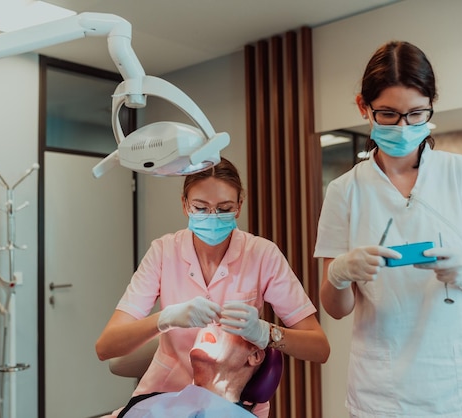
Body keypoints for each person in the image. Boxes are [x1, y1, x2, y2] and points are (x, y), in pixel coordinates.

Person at [314, 41, 462, 418]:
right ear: (364, 107)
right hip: (385, 394)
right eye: (389, 114)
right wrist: (339, 275)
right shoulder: (344, 191)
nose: (404, 126)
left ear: (430, 106)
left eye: (416, 114)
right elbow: (335, 307)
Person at [96, 157, 330, 418]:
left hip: (230, 404)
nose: (212, 217)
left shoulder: (262, 254)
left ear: (239, 206)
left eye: (224, 208)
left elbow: (319, 348)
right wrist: (165, 319)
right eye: (200, 207)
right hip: (164, 397)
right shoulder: (163, 252)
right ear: (185, 205)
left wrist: (266, 332)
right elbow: (106, 347)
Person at [118, 323, 266, 418]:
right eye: (210, 320)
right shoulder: (144, 402)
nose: (211, 324)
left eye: (225, 322)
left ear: (254, 356)